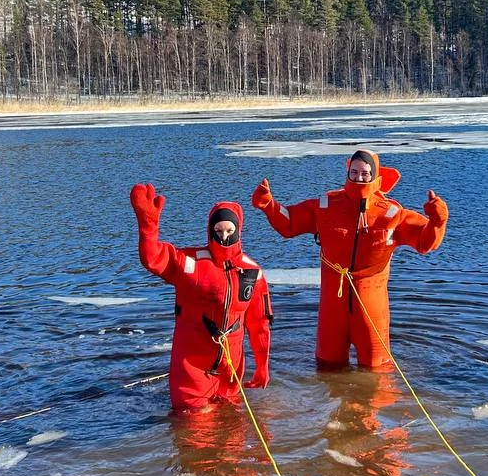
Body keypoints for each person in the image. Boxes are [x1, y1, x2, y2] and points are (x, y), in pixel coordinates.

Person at [251, 149, 448, 371]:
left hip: (371, 304)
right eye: (354, 172)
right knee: (327, 364)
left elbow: (425, 242)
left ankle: (375, 402)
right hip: (333, 304)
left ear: (375, 175)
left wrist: (437, 220)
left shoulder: (392, 214)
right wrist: (269, 205)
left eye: (364, 173)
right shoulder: (326, 206)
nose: (359, 177)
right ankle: (328, 401)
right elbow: (290, 222)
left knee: (376, 369)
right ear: (347, 172)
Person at [129, 184, 273, 412]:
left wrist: (262, 366)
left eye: (229, 230)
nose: (224, 236)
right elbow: (153, 258)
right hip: (191, 368)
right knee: (196, 433)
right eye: (218, 230)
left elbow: (260, 325)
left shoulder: (252, 272)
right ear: (210, 230)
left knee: (233, 437)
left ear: (238, 230)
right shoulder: (189, 262)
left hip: (230, 370)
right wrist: (148, 227)